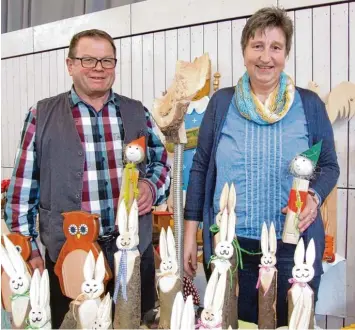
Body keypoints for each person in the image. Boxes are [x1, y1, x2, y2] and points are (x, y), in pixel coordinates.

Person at [183, 7, 339, 327]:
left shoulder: (308, 104)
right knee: (231, 323)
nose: (266, 57)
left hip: (293, 250)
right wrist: (189, 236)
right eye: (257, 46)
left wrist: (315, 196)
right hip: (231, 249)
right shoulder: (222, 103)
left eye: (276, 47)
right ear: (244, 52)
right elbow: (199, 168)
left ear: (285, 53)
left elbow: (328, 166)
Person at [4, 29, 170, 328]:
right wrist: (26, 249)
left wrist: (150, 185)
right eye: (88, 59)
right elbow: (21, 190)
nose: (98, 67)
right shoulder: (41, 115)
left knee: (134, 323)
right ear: (70, 65)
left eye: (107, 60)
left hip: (131, 252)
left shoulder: (136, 111)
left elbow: (161, 162)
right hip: (69, 255)